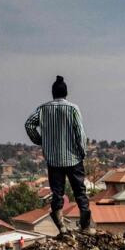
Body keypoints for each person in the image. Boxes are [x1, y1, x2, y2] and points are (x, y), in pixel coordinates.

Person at [24, 75, 92, 232]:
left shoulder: (43, 109)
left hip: (53, 160)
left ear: (53, 93)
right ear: (66, 93)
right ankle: (85, 226)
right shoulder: (73, 109)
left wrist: (40, 140)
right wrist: (82, 152)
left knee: (57, 193)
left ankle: (61, 225)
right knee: (80, 192)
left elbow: (29, 124)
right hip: (73, 158)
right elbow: (80, 134)